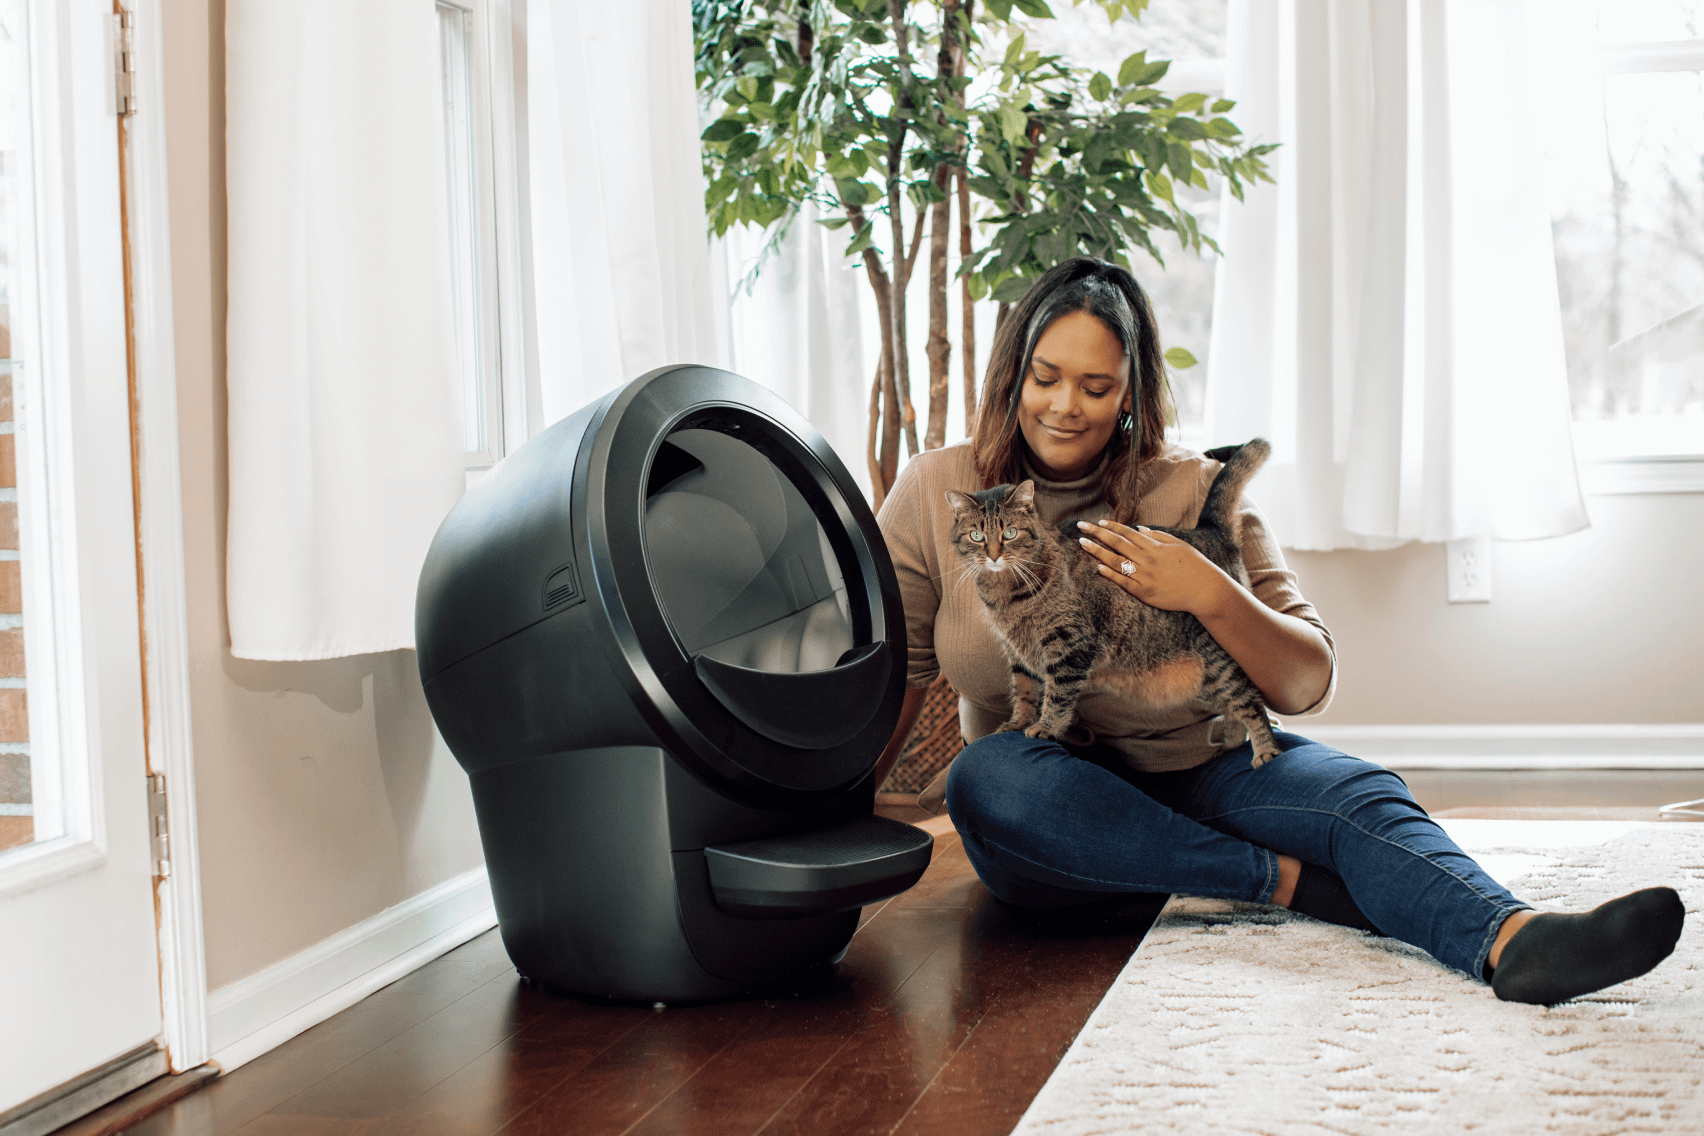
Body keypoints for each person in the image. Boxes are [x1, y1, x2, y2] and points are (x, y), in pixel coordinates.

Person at [871, 257, 1684, 1004]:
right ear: (1014, 372)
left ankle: (1517, 941)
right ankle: (1287, 881)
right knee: (985, 778)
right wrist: (831, 806)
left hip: (1209, 769)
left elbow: (1305, 683)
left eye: (1096, 385)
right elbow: (893, 673)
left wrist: (1209, 592)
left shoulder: (1191, 488)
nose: (1065, 406)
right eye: (1046, 377)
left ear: (1131, 394)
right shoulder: (940, 488)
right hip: (1059, 811)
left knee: (1363, 796)